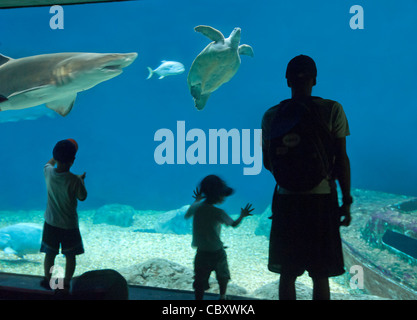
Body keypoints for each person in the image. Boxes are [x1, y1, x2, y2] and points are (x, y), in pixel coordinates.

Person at [261, 55, 352, 300]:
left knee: (288, 273)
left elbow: (267, 161)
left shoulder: (272, 115)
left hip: (287, 201)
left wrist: (292, 178)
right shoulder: (332, 109)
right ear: (314, 80)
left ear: (287, 81)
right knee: (320, 273)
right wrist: (347, 201)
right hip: (321, 201)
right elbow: (341, 159)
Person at [184, 175, 254, 300]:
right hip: (217, 252)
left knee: (200, 279)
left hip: (201, 251)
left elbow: (187, 215)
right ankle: (222, 297)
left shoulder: (196, 207)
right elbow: (234, 224)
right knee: (223, 276)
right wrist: (242, 215)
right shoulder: (218, 212)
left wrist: (197, 200)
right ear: (218, 195)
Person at [40, 139, 87, 293]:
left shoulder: (48, 172)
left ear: (55, 157)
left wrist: (55, 156)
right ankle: (66, 282)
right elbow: (82, 197)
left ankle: (49, 280)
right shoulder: (74, 180)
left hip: (51, 223)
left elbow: (49, 163)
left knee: (50, 254)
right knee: (70, 255)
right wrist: (81, 181)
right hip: (69, 225)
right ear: (73, 161)